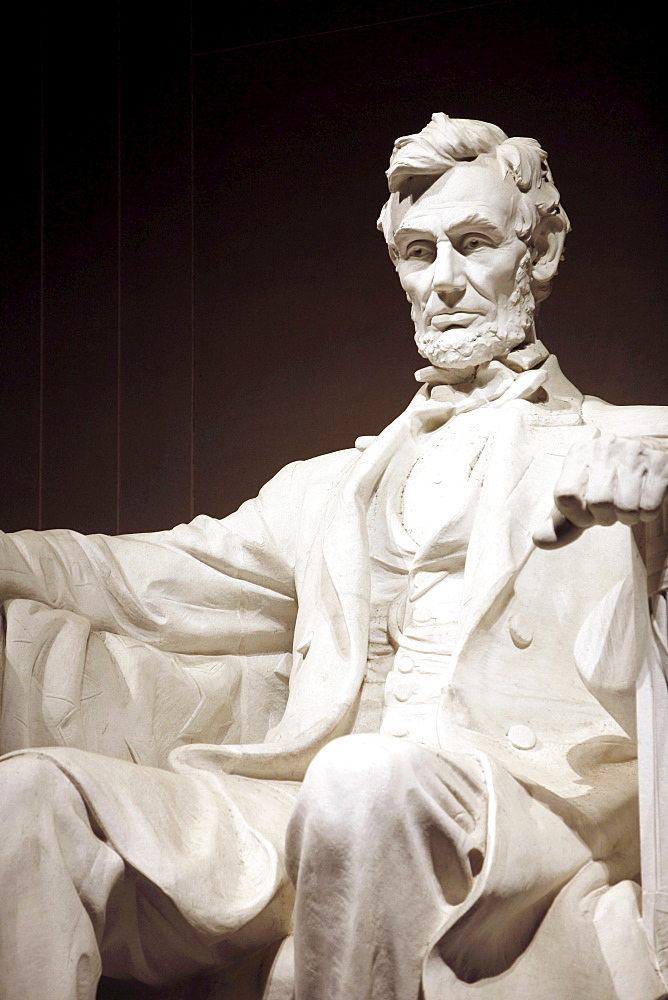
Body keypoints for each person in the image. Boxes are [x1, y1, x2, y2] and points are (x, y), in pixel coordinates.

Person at [1, 114, 667, 1000]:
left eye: (473, 245)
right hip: (313, 803)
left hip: (517, 813)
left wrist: (657, 545)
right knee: (30, 801)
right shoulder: (332, 487)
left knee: (361, 782)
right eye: (420, 254)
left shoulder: (626, 449)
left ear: (536, 257)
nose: (446, 283)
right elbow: (145, 578)